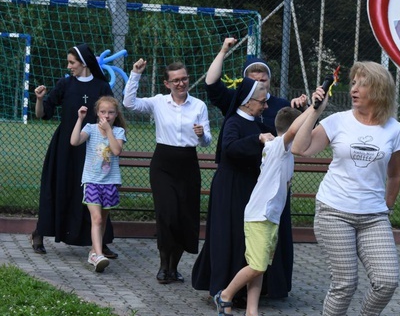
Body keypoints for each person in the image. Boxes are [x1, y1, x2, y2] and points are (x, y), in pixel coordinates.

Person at [292, 61, 400, 316]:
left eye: (362, 83)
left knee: (387, 280)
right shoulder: (338, 121)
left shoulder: (394, 129)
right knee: (345, 282)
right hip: (334, 211)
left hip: (373, 216)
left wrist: (388, 208)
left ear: (379, 90)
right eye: (353, 83)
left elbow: (394, 175)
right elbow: (301, 148)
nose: (354, 89)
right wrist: (316, 109)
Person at [192, 38, 306, 302]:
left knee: (258, 240)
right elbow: (230, 146)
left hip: (262, 185)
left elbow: (291, 133)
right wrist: (223, 50)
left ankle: (258, 293)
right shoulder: (236, 116)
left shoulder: (270, 108)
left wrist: (305, 108)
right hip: (235, 186)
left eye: (263, 74)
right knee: (235, 236)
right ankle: (229, 290)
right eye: (254, 76)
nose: (265, 105)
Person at [213, 106, 310, 316]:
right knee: (257, 265)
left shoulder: (285, 151)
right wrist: (315, 107)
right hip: (260, 215)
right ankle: (225, 295)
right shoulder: (279, 147)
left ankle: (251, 314)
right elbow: (295, 130)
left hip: (270, 216)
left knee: (260, 266)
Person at [123, 58, 212, 284]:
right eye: (175, 80)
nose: (180, 83)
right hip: (163, 164)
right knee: (167, 215)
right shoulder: (159, 102)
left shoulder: (199, 106)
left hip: (188, 164)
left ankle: (174, 268)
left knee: (185, 217)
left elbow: (206, 142)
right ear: (167, 83)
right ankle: (163, 266)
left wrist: (201, 134)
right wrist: (135, 74)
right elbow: (129, 104)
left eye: (184, 79)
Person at [31, 43, 118, 258]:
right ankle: (39, 233)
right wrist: (40, 100)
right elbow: (43, 114)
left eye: (72, 62)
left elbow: (112, 116)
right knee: (58, 187)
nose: (69, 66)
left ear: (84, 63)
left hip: (95, 149)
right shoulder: (65, 84)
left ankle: (100, 242)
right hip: (65, 147)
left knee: (94, 192)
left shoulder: (101, 86)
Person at [192, 77, 275, 301]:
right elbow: (229, 149)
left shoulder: (258, 122)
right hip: (229, 188)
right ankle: (222, 288)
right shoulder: (234, 122)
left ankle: (242, 291)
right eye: (262, 101)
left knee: (246, 237)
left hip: (249, 187)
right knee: (228, 236)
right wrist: (256, 139)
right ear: (248, 102)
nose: (265, 106)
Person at [70, 96, 127, 273]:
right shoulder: (91, 128)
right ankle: (99, 255)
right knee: (97, 218)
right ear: (97, 113)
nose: (107, 115)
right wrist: (79, 118)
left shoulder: (118, 132)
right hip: (92, 180)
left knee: (103, 220)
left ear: (116, 114)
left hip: (110, 182)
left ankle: (94, 252)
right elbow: (74, 141)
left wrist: (109, 130)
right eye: (103, 112)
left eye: (110, 112)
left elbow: (116, 151)